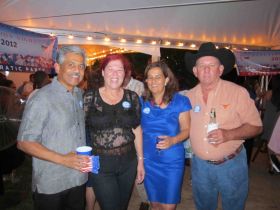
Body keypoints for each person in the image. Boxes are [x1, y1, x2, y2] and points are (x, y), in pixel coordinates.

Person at [184, 42, 263, 210]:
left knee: (234, 206)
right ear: (195, 71)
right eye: (201, 66)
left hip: (231, 165)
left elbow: (256, 126)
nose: (206, 70)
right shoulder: (188, 97)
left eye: (211, 65)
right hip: (200, 167)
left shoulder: (237, 92)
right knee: (203, 206)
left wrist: (228, 134)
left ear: (220, 69)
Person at [17, 46, 92, 210]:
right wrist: (65, 159)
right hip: (52, 182)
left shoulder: (79, 94)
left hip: (78, 178)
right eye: (71, 65)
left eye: (81, 66)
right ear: (58, 67)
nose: (77, 70)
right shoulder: (42, 98)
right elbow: (24, 142)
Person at [84, 54, 145, 210]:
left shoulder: (132, 97)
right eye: (110, 69)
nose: (115, 73)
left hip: (129, 162)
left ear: (125, 74)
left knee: (122, 205)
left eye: (120, 69)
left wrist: (140, 162)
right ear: (103, 72)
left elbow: (137, 129)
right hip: (100, 163)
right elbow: (80, 129)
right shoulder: (90, 97)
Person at [140, 61, 191, 210]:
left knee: (168, 206)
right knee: (155, 204)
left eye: (158, 77)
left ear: (166, 79)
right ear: (146, 81)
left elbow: (187, 130)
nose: (153, 81)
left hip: (172, 161)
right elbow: (136, 129)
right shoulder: (142, 102)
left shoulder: (181, 101)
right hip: (149, 160)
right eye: (150, 77)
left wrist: (173, 140)